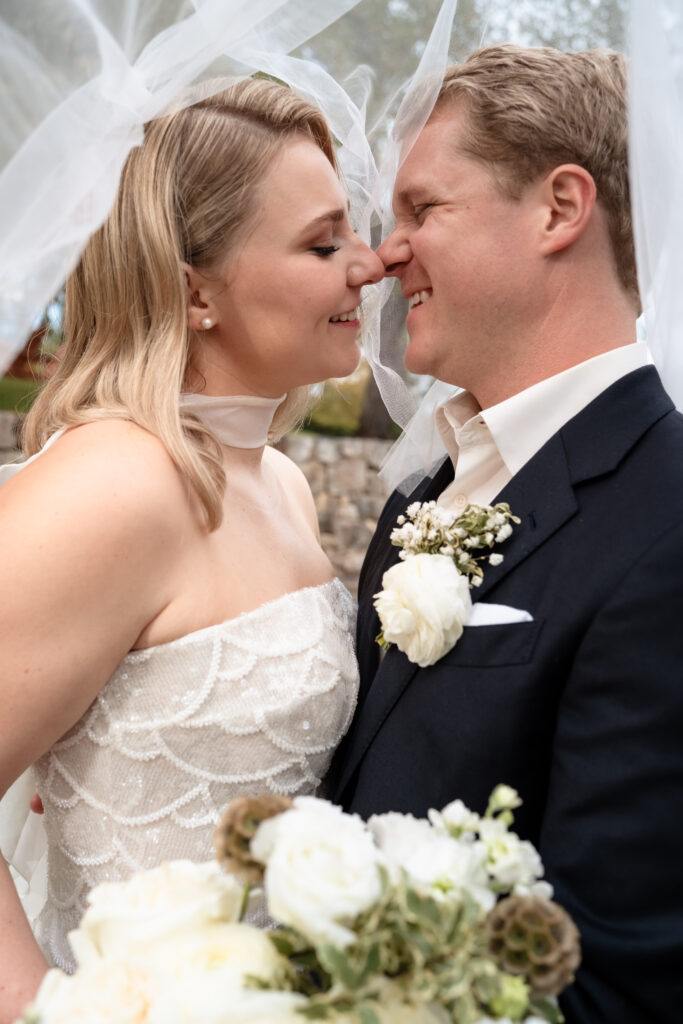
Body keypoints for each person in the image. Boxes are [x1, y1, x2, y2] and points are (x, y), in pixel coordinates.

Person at [0, 76, 383, 1019]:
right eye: (322, 242)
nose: (368, 266)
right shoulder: (114, 486)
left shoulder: (281, 482)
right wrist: (40, 1006)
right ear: (192, 290)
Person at [328, 45, 683, 1022]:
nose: (384, 252)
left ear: (559, 209)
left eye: (420, 209)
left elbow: (614, 974)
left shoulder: (666, 523)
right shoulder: (420, 494)